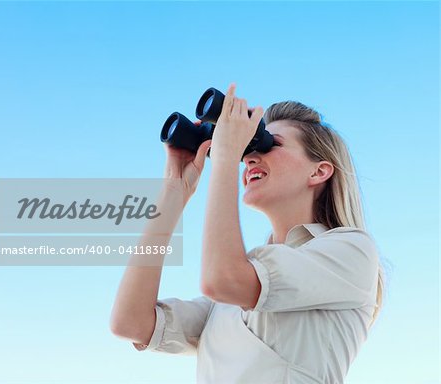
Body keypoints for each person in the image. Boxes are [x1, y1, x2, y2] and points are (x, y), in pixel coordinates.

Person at [110, 84, 385, 383]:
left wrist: (226, 156)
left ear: (318, 172)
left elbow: (222, 280)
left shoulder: (353, 251)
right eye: (247, 150)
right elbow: (130, 322)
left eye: (269, 144)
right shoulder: (226, 304)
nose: (249, 158)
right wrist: (174, 192)